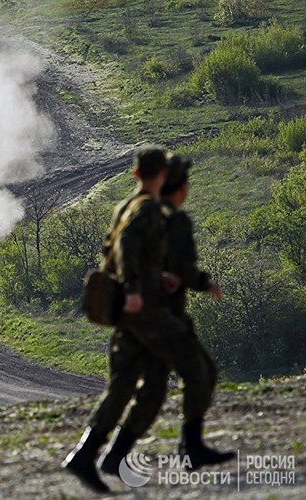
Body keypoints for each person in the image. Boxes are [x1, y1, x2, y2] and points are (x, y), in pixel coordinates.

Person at [62, 148, 227, 493]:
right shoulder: (148, 210)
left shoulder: (127, 206)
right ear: (163, 177)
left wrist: (161, 276)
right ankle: (190, 448)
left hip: (131, 310)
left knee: (138, 386)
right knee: (199, 368)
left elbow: (132, 250)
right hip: (147, 311)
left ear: (137, 174)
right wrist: (137, 288)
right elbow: (125, 246)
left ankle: (96, 454)